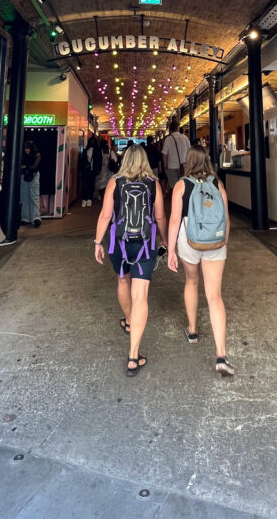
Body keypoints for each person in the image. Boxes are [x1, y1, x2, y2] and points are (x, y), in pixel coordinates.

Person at [94, 144, 170, 375]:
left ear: (125, 159)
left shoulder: (115, 182)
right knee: (141, 295)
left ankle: (129, 320)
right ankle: (133, 356)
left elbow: (106, 214)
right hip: (145, 244)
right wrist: (164, 240)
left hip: (119, 243)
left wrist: (98, 242)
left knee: (123, 281)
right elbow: (159, 216)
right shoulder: (153, 183)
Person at [167, 146, 234, 376]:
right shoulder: (218, 184)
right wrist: (223, 242)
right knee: (214, 295)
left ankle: (193, 330)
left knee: (192, 282)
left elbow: (175, 219)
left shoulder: (181, 185)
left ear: (188, 161)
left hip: (190, 240)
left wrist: (171, 249)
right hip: (215, 242)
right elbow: (225, 217)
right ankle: (221, 354)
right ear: (207, 160)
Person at [162, 119, 190, 191]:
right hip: (184, 166)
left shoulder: (168, 139)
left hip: (171, 166)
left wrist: (165, 166)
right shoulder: (185, 138)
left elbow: (165, 154)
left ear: (170, 129)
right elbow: (190, 152)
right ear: (178, 128)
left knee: (175, 187)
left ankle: (176, 200)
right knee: (184, 185)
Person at [20, 139, 41, 227]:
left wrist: (25, 167)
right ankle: (32, 218)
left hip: (28, 175)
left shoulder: (26, 156)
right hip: (31, 175)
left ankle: (32, 218)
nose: (26, 150)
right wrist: (28, 168)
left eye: (28, 148)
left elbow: (33, 167)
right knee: (27, 196)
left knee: (32, 197)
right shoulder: (36, 155)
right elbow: (33, 166)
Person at [79, 134, 102, 207]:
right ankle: (85, 199)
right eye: (91, 141)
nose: (92, 142)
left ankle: (89, 199)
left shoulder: (97, 151)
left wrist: (98, 169)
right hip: (86, 170)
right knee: (85, 185)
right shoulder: (86, 150)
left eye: (93, 141)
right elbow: (82, 160)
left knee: (91, 185)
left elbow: (99, 161)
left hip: (93, 170)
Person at [93, 137, 113, 203]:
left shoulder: (99, 151)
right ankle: (103, 195)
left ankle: (99, 195)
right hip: (106, 169)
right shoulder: (108, 151)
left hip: (101, 169)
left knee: (98, 182)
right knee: (105, 183)